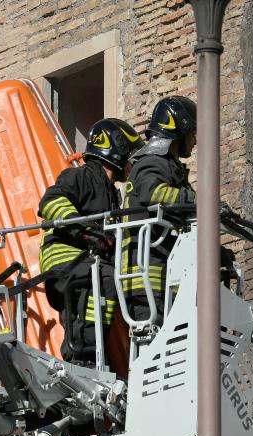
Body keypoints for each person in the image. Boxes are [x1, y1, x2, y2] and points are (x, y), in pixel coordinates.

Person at [38, 118, 144, 366]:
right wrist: (85, 229)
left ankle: (81, 360)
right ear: (116, 150)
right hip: (64, 256)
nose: (132, 164)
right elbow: (50, 202)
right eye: (130, 156)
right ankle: (87, 355)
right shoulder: (81, 176)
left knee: (85, 307)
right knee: (105, 278)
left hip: (82, 262)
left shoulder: (111, 193)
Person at [121, 96, 197, 328]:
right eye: (192, 133)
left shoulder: (168, 166)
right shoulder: (152, 162)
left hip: (162, 270)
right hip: (147, 274)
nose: (195, 141)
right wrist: (197, 200)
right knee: (155, 341)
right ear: (180, 129)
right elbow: (152, 193)